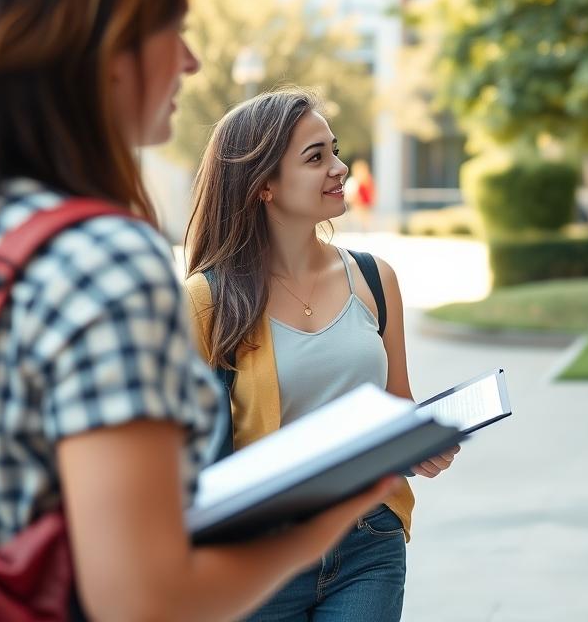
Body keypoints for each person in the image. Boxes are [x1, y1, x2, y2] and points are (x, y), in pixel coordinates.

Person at [0, 0, 395, 622]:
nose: (190, 62)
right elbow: (145, 601)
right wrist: (331, 517)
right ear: (104, 47)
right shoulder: (104, 264)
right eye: (169, 29)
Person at [184, 88, 458, 622]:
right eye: (315, 158)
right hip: (258, 561)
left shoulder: (375, 278)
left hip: (368, 544)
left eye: (334, 150)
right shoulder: (206, 301)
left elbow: (397, 406)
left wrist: (423, 441)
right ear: (264, 184)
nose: (339, 168)